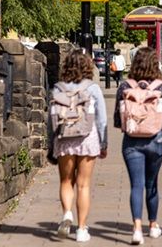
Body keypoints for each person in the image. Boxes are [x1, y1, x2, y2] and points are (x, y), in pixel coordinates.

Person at [114, 47, 162, 245]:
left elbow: (118, 121)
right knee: (152, 184)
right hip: (156, 141)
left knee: (136, 185)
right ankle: (153, 225)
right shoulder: (161, 87)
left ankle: (136, 229)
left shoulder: (125, 85)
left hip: (132, 142)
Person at [50, 50, 108, 243]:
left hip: (65, 137)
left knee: (66, 181)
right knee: (83, 184)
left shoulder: (58, 88)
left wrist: (53, 141)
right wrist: (104, 142)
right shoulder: (93, 88)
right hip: (87, 136)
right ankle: (82, 229)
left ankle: (67, 213)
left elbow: (52, 116)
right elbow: (101, 119)